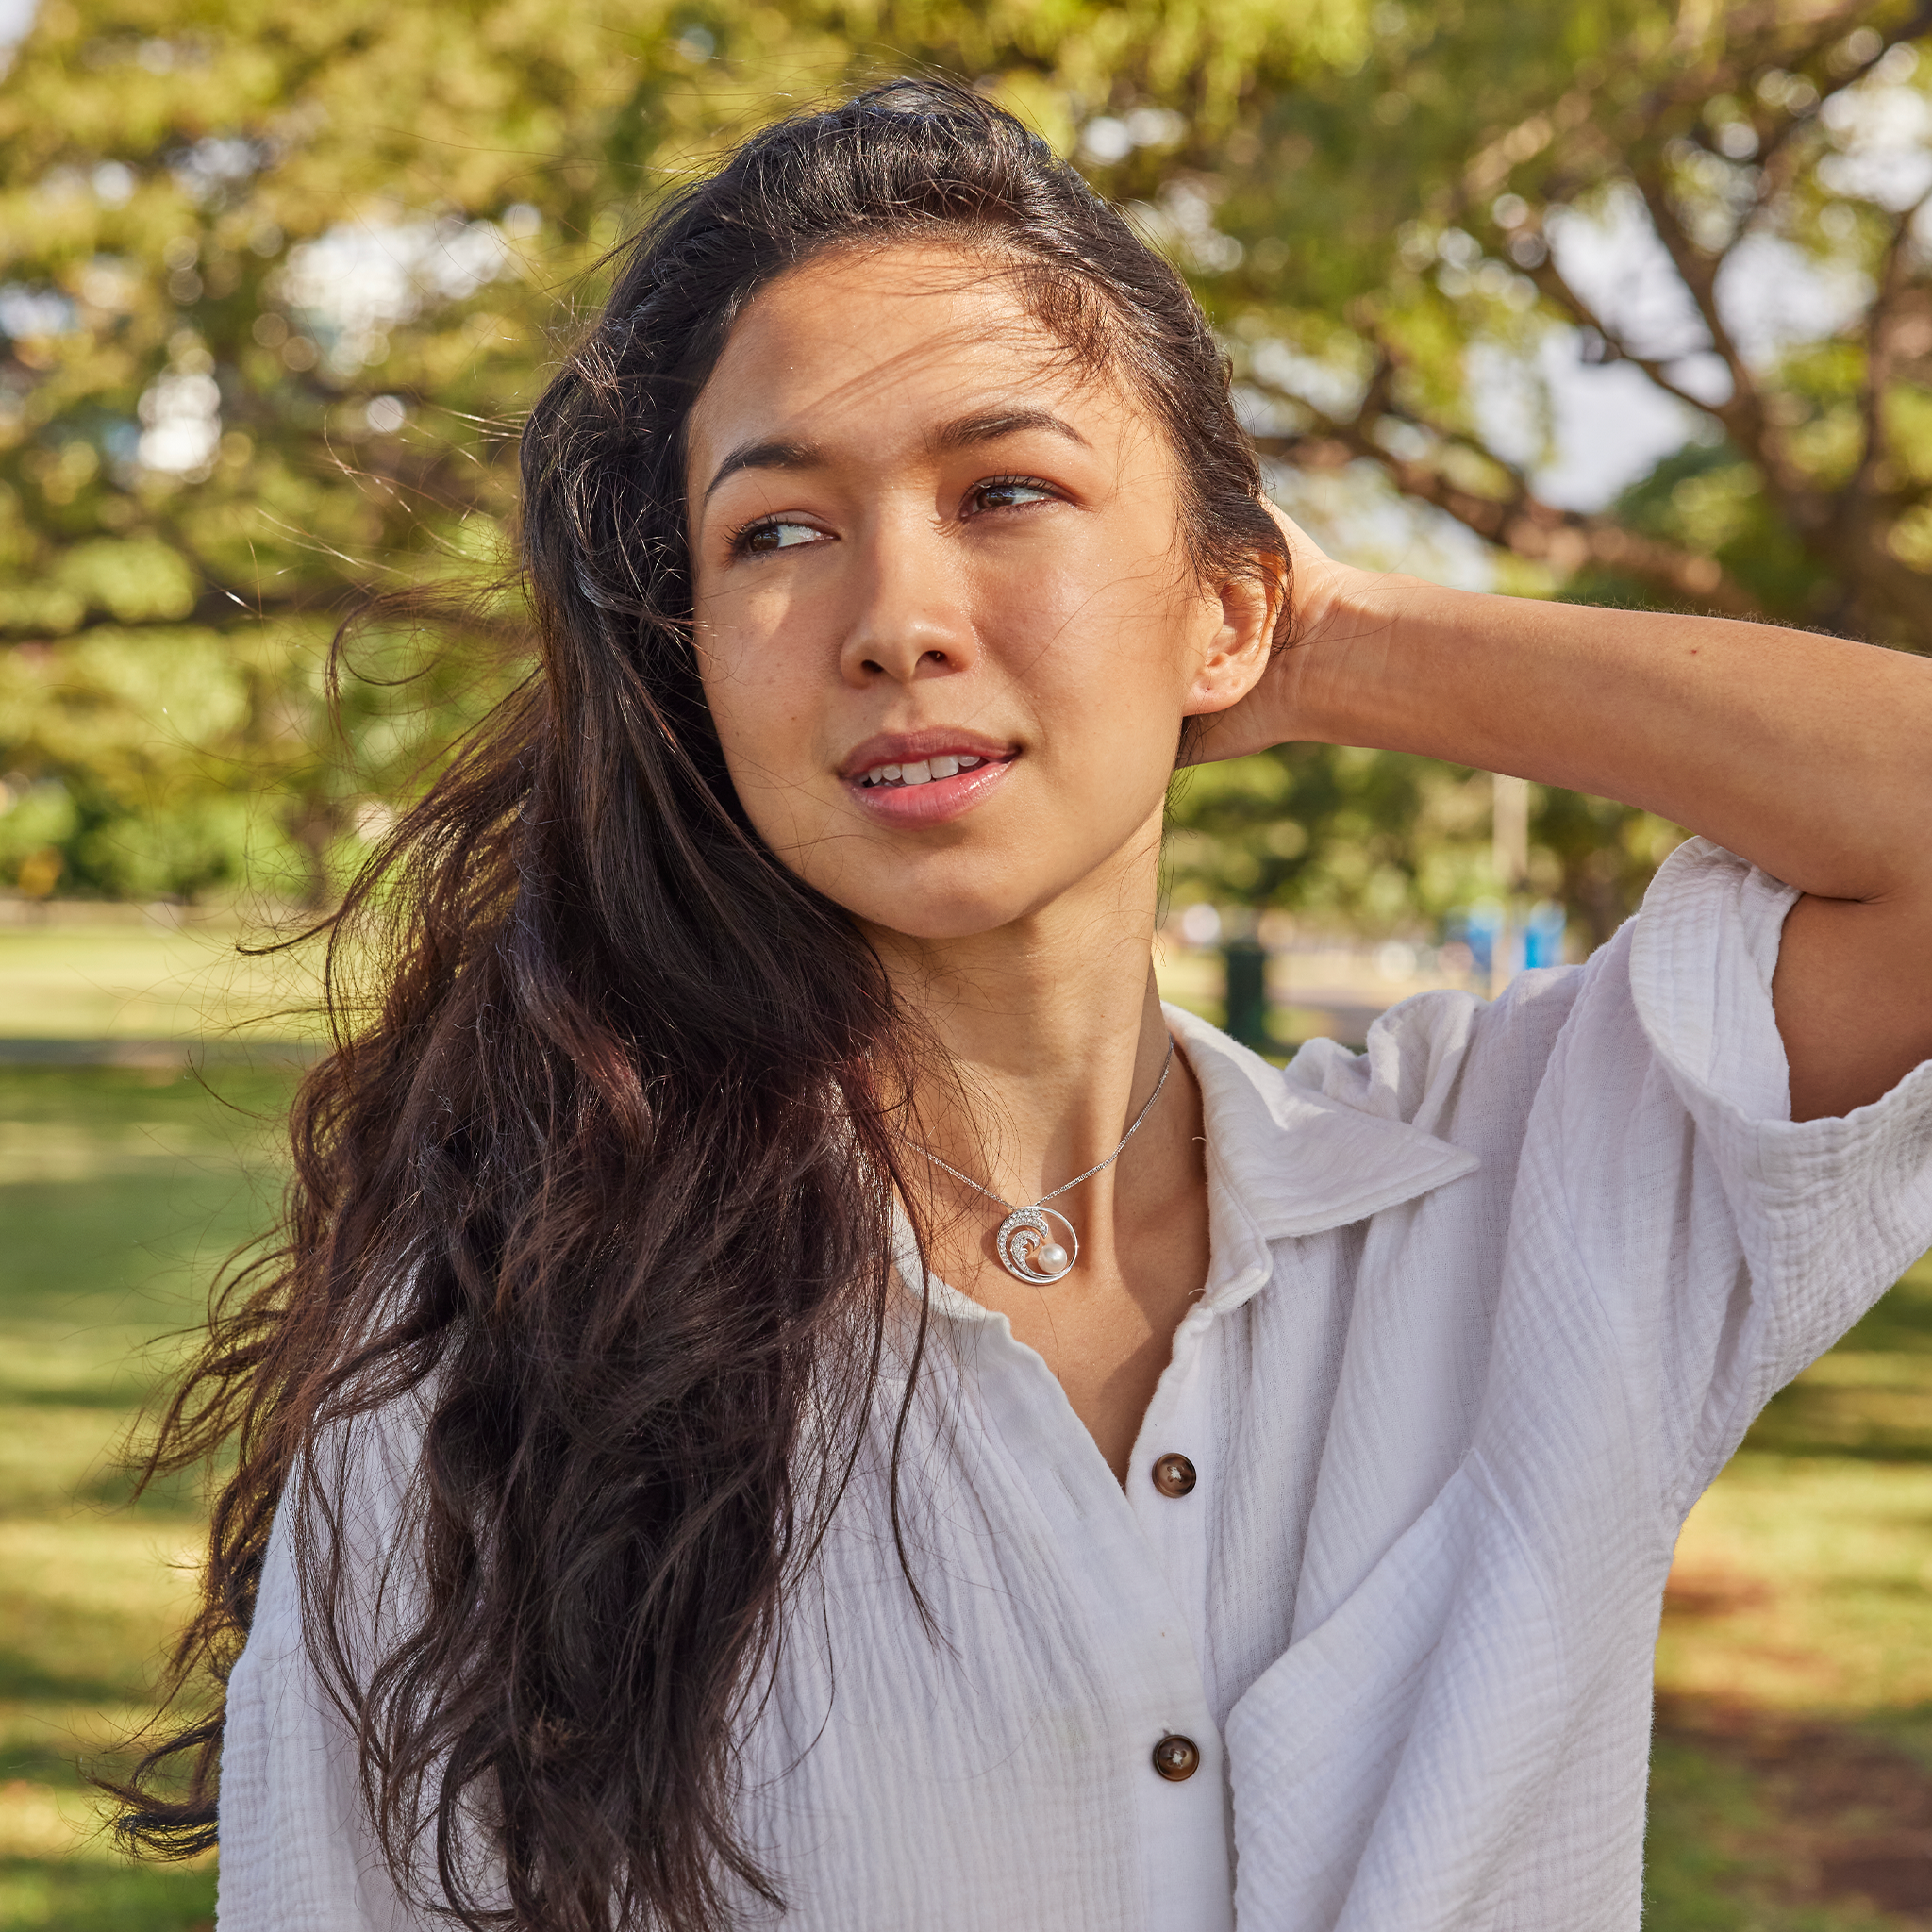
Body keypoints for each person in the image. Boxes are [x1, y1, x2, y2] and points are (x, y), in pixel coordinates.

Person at [112, 78, 1932, 1932]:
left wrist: (1329, 642)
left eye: (1005, 490)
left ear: (1226, 604)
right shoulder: (484, 1351)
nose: (894, 615)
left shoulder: (1531, 1185)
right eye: (777, 532)